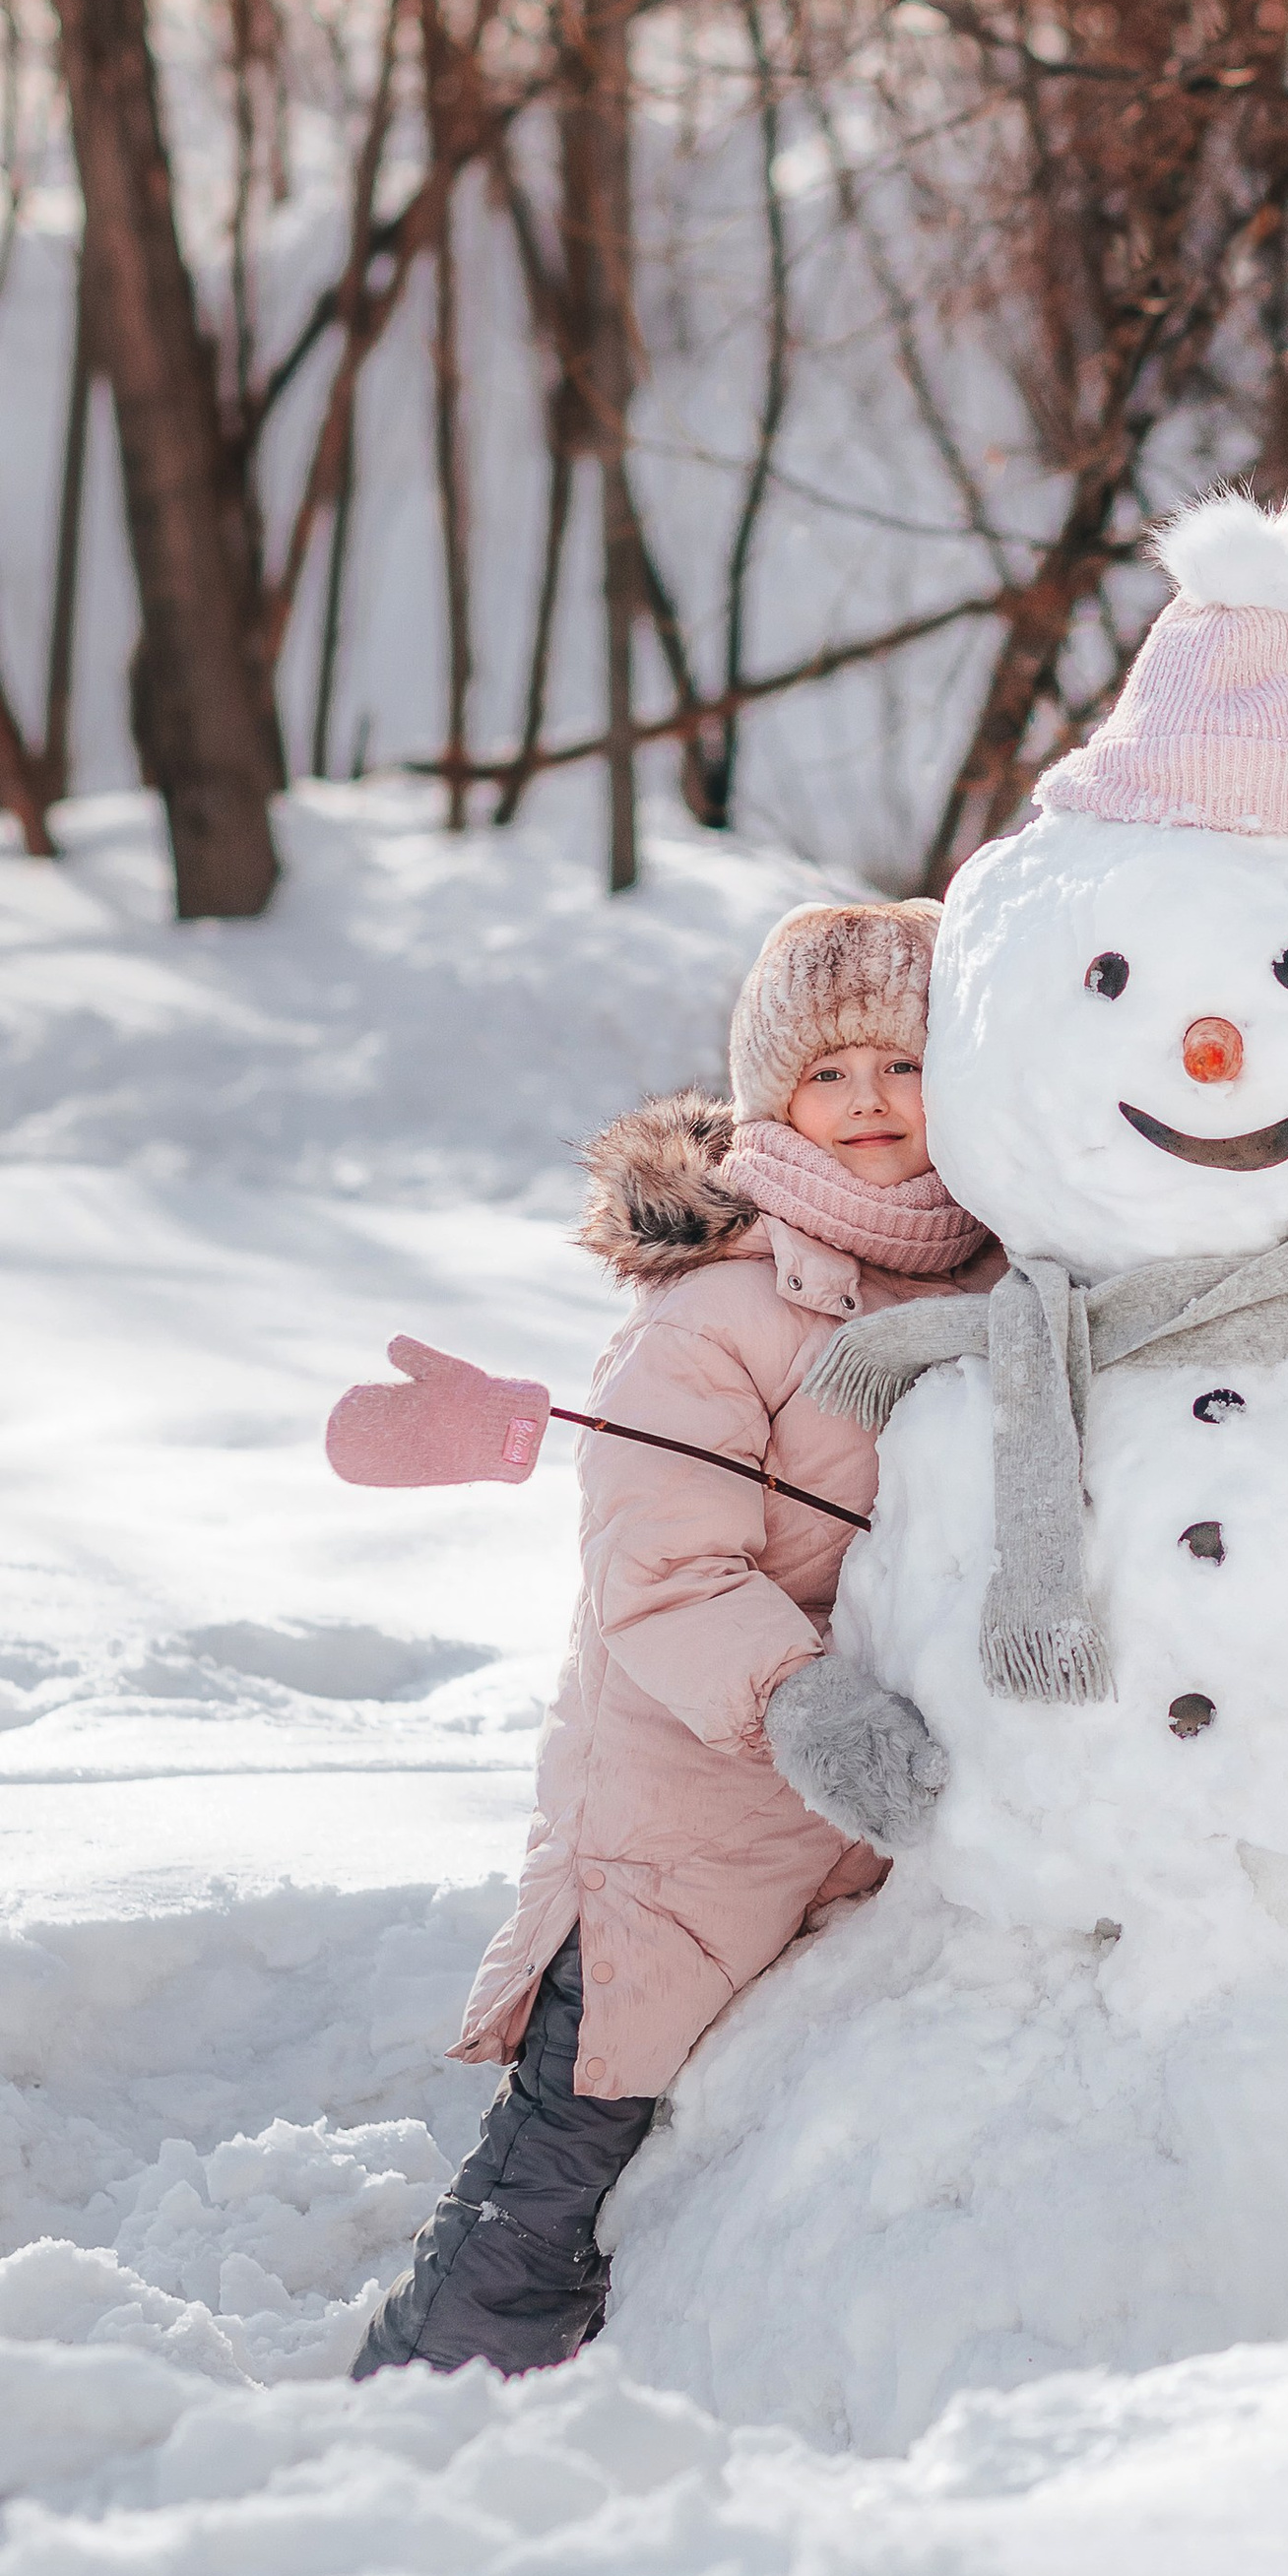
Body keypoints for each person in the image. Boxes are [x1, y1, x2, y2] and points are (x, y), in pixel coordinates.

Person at [354, 899, 998, 2379]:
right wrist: (804, 1705)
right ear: (776, 1101)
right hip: (686, 1801)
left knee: (737, 2140)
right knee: (572, 2154)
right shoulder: (717, 1311)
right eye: (828, 1077)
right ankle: (418, 2396)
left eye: (901, 1068)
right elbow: (660, 1569)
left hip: (866, 1805)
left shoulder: (990, 1283)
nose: (869, 1106)